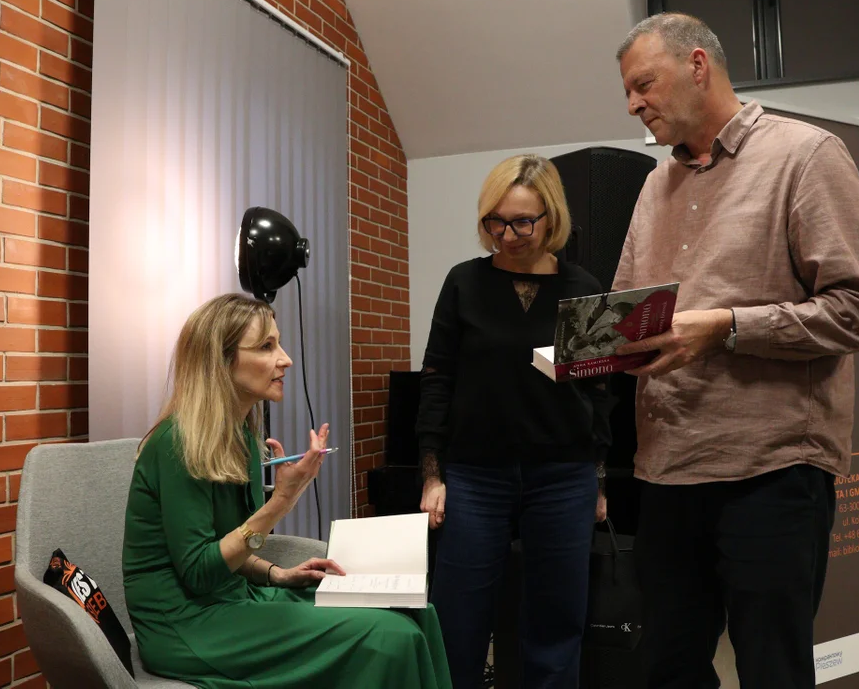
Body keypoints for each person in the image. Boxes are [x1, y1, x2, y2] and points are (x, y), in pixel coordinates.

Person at [612, 13, 859, 689]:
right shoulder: (654, 185)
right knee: (667, 669)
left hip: (771, 470)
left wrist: (726, 327)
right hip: (666, 469)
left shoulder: (806, 155)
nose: (633, 105)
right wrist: (596, 349)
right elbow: (628, 308)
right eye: (627, 92)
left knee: (772, 670)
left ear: (697, 66)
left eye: (643, 84)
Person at [122, 293, 452, 689]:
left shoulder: (241, 438)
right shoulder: (175, 444)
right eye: (266, 346)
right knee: (390, 639)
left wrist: (276, 574)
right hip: (185, 624)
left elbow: (225, 545)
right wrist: (281, 501)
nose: (286, 359)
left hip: (233, 597)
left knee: (417, 612)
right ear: (221, 361)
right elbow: (198, 572)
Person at [416, 154, 613, 688]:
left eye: (523, 222)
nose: (507, 236)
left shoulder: (583, 286)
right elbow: (436, 378)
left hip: (563, 476)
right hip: (475, 476)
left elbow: (599, 392)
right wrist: (432, 475)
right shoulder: (463, 282)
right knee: (458, 620)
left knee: (557, 623)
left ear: (551, 218)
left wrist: (598, 480)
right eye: (495, 222)